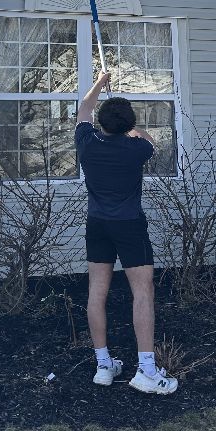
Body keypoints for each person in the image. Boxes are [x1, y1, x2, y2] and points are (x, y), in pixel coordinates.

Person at [75, 70, 178, 395]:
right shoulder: (136, 150)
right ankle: (146, 370)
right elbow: (149, 140)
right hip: (130, 226)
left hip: (97, 225)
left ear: (102, 123)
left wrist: (99, 83)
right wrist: (131, 128)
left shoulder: (86, 144)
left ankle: (103, 365)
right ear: (127, 124)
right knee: (143, 293)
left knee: (96, 293)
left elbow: (83, 110)